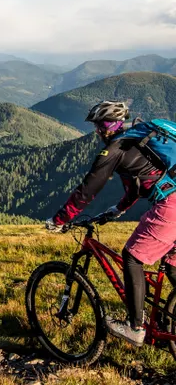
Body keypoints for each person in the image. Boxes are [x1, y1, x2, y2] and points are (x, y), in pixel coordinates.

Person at [46, 100, 176, 346]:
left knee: (132, 257)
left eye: (101, 124)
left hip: (171, 206)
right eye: (98, 125)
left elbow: (87, 190)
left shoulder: (115, 149)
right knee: (172, 267)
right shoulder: (136, 142)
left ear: (112, 125)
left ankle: (135, 327)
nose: (98, 130)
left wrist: (59, 220)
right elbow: (139, 183)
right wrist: (117, 209)